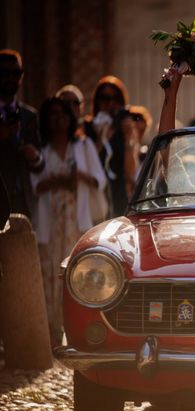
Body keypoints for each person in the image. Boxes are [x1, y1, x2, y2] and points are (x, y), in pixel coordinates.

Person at [31, 97, 107, 347]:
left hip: (76, 218)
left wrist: (78, 176)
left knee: (75, 272)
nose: (58, 119)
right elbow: (34, 185)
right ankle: (53, 330)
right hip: (51, 220)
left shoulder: (82, 146)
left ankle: (76, 327)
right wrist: (56, 181)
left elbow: (99, 179)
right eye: (52, 115)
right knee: (50, 273)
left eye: (62, 114)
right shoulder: (42, 150)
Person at [84, 76, 138, 217]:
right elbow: (88, 162)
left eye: (116, 99)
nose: (111, 104)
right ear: (97, 101)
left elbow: (130, 171)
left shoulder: (122, 130)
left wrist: (127, 138)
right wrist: (102, 138)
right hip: (95, 193)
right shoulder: (88, 128)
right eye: (105, 98)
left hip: (118, 193)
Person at [0, 49, 42, 219]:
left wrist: (33, 156)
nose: (11, 78)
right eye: (5, 73)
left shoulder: (29, 116)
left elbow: (41, 165)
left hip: (23, 203)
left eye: (16, 73)